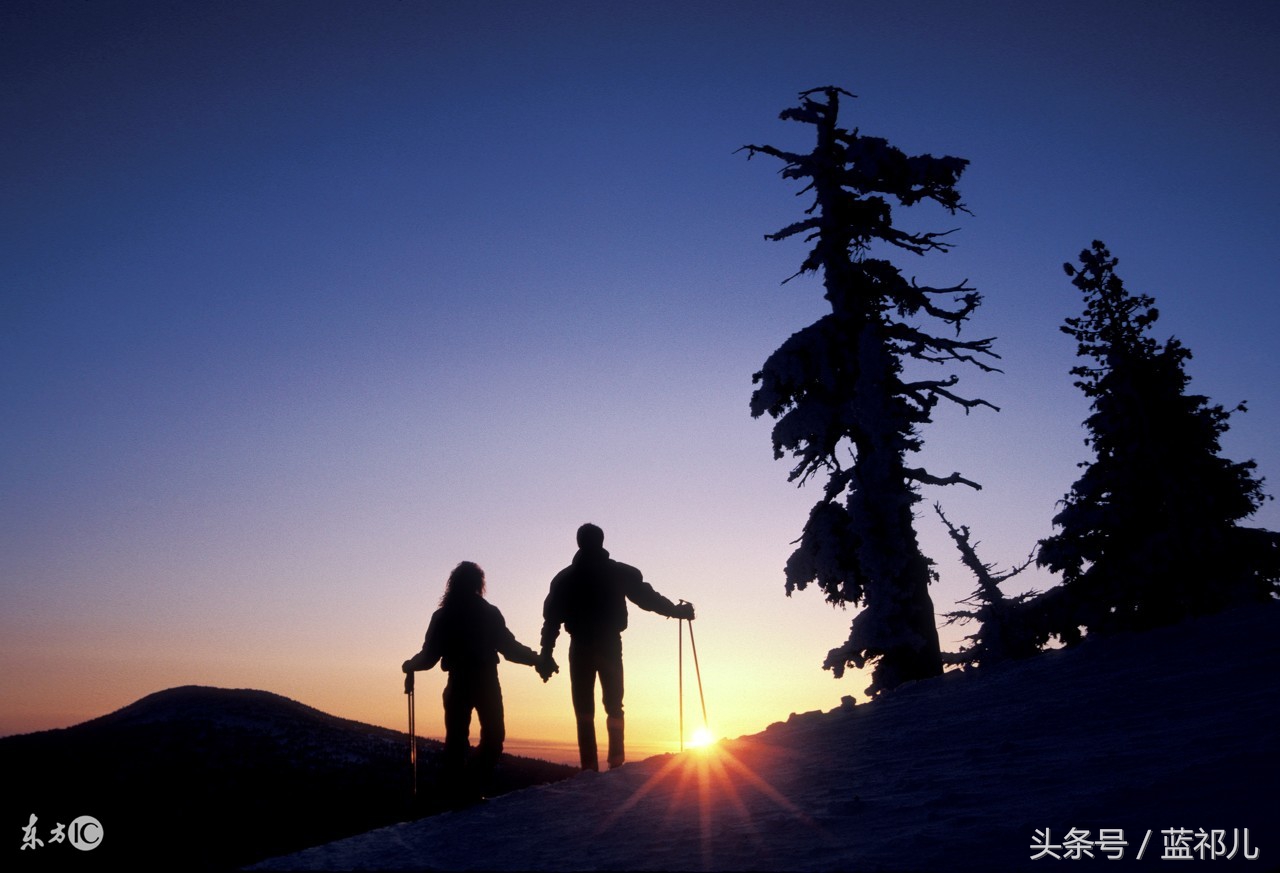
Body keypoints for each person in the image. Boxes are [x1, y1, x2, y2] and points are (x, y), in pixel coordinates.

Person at [538, 523, 694, 771]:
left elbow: (552, 622)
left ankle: (590, 767)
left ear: (579, 543)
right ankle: (616, 762)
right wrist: (676, 611)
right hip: (610, 644)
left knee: (585, 710)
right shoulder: (618, 573)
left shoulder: (565, 579)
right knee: (613, 705)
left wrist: (546, 656)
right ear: (601, 542)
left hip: (580, 647)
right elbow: (648, 599)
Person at [402, 561, 551, 803]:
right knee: (493, 738)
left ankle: (459, 793)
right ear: (478, 584)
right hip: (486, 682)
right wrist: (536, 660)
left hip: (458, 682)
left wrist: (410, 665)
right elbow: (509, 648)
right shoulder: (488, 613)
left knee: (457, 742)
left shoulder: (444, 616)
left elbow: (429, 656)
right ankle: (467, 790)